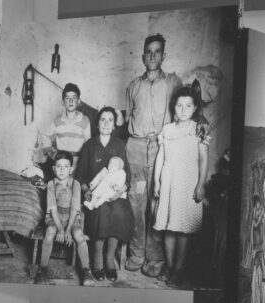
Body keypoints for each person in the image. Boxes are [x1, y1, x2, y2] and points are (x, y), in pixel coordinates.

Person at [124, 33, 181, 278]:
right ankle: (137, 253)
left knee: (158, 203)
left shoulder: (172, 83)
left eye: (157, 51)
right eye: (148, 51)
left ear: (163, 55)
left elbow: (183, 113)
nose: (152, 55)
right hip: (136, 148)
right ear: (142, 56)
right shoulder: (133, 86)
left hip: (161, 148)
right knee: (136, 203)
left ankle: (155, 256)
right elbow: (128, 117)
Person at [152, 86, 210, 287]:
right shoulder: (167, 130)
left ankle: (179, 269)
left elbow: (203, 159)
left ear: (195, 108)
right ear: (173, 107)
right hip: (169, 182)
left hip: (188, 183)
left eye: (188, 105)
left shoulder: (199, 129)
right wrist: (157, 181)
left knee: (183, 230)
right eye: (179, 105)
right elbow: (161, 156)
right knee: (169, 227)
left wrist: (201, 184)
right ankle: (169, 266)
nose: (183, 109)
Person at [75, 107, 134, 282]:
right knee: (101, 212)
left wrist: (120, 191)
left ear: (115, 124)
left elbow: (127, 175)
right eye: (103, 119)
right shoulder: (89, 145)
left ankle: (110, 258)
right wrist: (86, 191)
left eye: (110, 120)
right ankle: (98, 258)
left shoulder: (119, 144)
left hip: (115, 194)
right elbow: (80, 176)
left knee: (119, 212)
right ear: (97, 123)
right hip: (96, 195)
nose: (106, 123)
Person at [35, 150, 90, 284]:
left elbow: (74, 209)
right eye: (59, 166)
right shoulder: (51, 184)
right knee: (50, 231)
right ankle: (42, 269)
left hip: (71, 218)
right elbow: (52, 208)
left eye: (65, 166)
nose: (62, 170)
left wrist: (69, 229)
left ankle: (86, 271)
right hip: (54, 218)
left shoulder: (75, 184)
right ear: (54, 169)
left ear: (71, 169)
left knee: (78, 234)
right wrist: (60, 228)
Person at [34, 82, 96, 176]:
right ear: (63, 102)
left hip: (78, 165)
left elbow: (88, 146)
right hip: (61, 166)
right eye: (67, 98)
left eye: (74, 98)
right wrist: (53, 153)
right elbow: (44, 137)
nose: (70, 101)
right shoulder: (57, 121)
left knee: (75, 189)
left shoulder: (85, 120)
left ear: (78, 101)